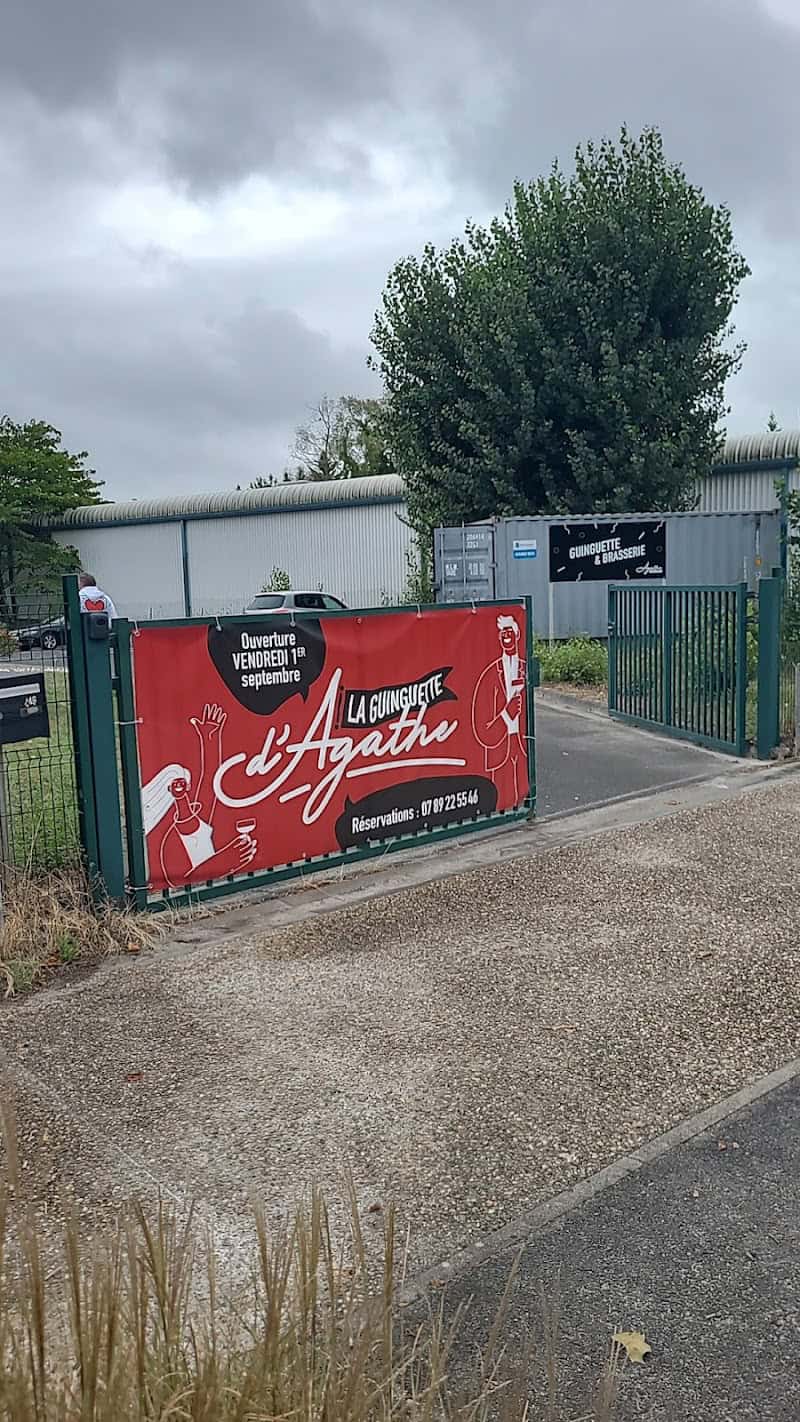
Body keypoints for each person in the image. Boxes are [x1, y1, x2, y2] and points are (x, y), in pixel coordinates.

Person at [470, 613, 527, 808]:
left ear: (518, 634)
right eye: (503, 632)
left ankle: (526, 809)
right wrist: (505, 714)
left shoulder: (524, 669)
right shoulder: (490, 674)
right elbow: (480, 727)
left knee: (523, 795)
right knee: (499, 801)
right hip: (499, 751)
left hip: (521, 746)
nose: (506, 635)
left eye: (510, 631)